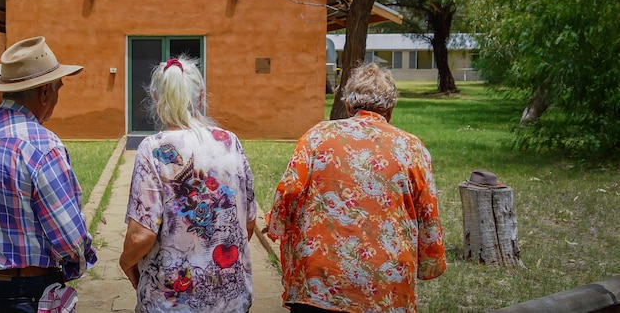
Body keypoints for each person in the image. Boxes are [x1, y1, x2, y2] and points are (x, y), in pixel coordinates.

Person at [265, 63, 446, 313]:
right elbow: (428, 212)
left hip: (320, 279)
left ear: (349, 105)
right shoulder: (411, 147)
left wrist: (277, 224)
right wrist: (430, 261)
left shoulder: (317, 136)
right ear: (390, 108)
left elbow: (289, 191)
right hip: (387, 281)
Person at [0, 36, 97, 313]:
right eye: (58, 89)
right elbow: (70, 236)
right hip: (27, 290)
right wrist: (77, 264)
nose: (57, 97)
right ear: (44, 92)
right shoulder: (43, 145)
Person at [120, 56, 257, 313]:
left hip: (171, 302)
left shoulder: (153, 149)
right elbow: (248, 223)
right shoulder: (230, 142)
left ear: (155, 98)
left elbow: (142, 234)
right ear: (201, 97)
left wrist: (126, 262)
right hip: (231, 299)